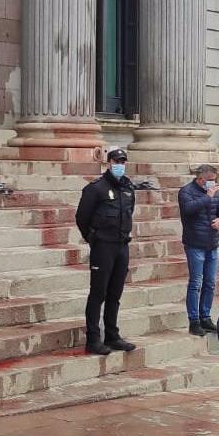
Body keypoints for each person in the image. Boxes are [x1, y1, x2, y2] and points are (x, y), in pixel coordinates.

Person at [75, 148, 137, 355]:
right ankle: (93, 339)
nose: (120, 164)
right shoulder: (96, 188)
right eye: (117, 161)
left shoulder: (128, 187)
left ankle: (112, 335)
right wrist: (93, 238)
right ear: (108, 162)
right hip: (103, 246)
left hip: (122, 245)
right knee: (98, 293)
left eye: (123, 161)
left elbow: (129, 213)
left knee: (115, 293)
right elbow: (82, 217)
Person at [178, 163, 219, 336]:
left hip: (212, 243)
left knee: (210, 282)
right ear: (200, 179)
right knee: (196, 283)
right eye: (210, 180)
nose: (213, 184)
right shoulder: (186, 192)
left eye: (214, 181)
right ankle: (194, 321)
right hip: (195, 244)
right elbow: (188, 210)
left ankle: (205, 317)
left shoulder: (215, 193)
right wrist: (208, 197)